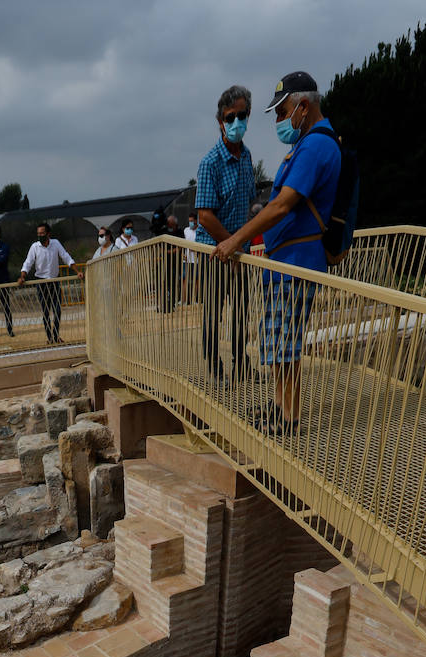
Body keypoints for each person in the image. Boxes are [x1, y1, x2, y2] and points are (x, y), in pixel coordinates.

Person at [214, 71, 341, 433]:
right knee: (277, 341)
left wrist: (236, 239)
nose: (279, 119)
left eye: (282, 111)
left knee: (286, 344)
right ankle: (280, 405)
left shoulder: (316, 146)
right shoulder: (306, 144)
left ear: (303, 106)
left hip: (298, 260)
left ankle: (290, 417)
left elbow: (283, 205)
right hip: (285, 259)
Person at [194, 83, 256, 387]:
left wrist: (239, 245)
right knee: (214, 314)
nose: (236, 122)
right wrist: (228, 244)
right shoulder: (210, 163)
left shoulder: (246, 157)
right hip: (215, 252)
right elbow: (204, 215)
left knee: (242, 311)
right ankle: (216, 368)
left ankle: (242, 364)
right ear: (220, 121)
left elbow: (247, 203)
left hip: (239, 250)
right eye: (230, 117)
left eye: (241, 115)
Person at [17, 223, 83, 344]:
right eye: (38, 234)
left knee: (57, 310)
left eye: (42, 233)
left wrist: (77, 271)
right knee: (46, 311)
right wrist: (22, 276)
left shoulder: (55, 243)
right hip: (41, 282)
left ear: (48, 234)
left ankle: (56, 335)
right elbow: (28, 263)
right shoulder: (35, 247)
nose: (40, 236)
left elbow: (66, 257)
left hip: (54, 281)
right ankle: (49, 338)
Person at [183, 212, 198, 302]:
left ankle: (195, 300)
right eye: (189, 221)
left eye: (192, 221)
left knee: (196, 280)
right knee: (185, 279)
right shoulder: (186, 230)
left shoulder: (200, 230)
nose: (190, 223)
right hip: (187, 259)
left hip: (197, 260)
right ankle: (184, 300)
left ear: (196, 221)